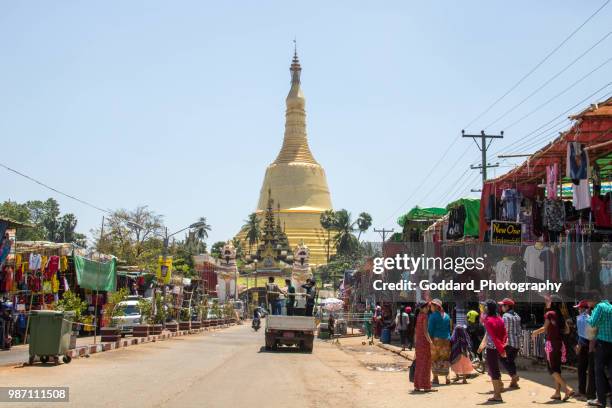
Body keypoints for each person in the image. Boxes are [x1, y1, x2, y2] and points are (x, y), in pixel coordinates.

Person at [531, 295, 574, 401]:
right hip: (559, 344)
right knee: (557, 368)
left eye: (548, 300)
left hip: (551, 344)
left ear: (553, 303)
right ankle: (557, 393)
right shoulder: (560, 314)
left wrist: (535, 332)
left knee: (552, 369)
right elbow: (567, 331)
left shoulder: (549, 314)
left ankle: (567, 389)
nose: (546, 301)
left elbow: (544, 328)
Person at [479, 299, 507, 403]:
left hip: (492, 348)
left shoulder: (488, 320)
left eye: (485, 306)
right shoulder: (499, 318)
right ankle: (499, 389)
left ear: (488, 308)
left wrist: (501, 349)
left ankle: (497, 395)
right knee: (496, 369)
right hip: (498, 347)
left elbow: (493, 337)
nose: (484, 308)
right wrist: (502, 347)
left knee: (494, 371)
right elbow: (504, 333)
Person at [588, 298, 612, 408]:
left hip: (602, 344)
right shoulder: (611, 307)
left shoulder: (600, 307)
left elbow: (592, 322)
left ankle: (601, 401)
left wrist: (588, 316)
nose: (588, 303)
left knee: (599, 373)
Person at [574, 300, 596, 402]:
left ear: (584, 309)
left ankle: (582, 392)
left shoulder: (581, 318)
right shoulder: (592, 318)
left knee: (582, 369)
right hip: (592, 345)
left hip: (584, 345)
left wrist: (579, 345)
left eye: (579, 308)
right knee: (592, 370)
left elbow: (582, 335)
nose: (578, 310)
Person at [413, 301, 436, 393]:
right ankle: (426, 386)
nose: (428, 309)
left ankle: (417, 386)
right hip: (424, 344)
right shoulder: (425, 317)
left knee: (419, 365)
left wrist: (415, 343)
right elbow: (426, 332)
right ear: (422, 308)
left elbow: (416, 331)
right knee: (426, 365)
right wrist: (431, 342)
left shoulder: (418, 316)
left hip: (419, 343)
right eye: (426, 307)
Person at [428, 298, 451, 385]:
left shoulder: (433, 316)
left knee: (434, 358)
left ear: (435, 307)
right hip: (446, 340)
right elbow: (449, 328)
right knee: (445, 358)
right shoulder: (447, 316)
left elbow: (430, 330)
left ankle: (435, 378)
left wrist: (429, 340)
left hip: (436, 340)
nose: (430, 307)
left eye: (431, 306)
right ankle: (447, 378)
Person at [499, 298, 521, 389]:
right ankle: (514, 382)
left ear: (507, 306)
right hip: (517, 342)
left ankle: (513, 376)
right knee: (511, 361)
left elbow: (504, 330)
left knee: (502, 359)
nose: (501, 307)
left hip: (508, 342)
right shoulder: (517, 316)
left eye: (503, 305)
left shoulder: (505, 316)